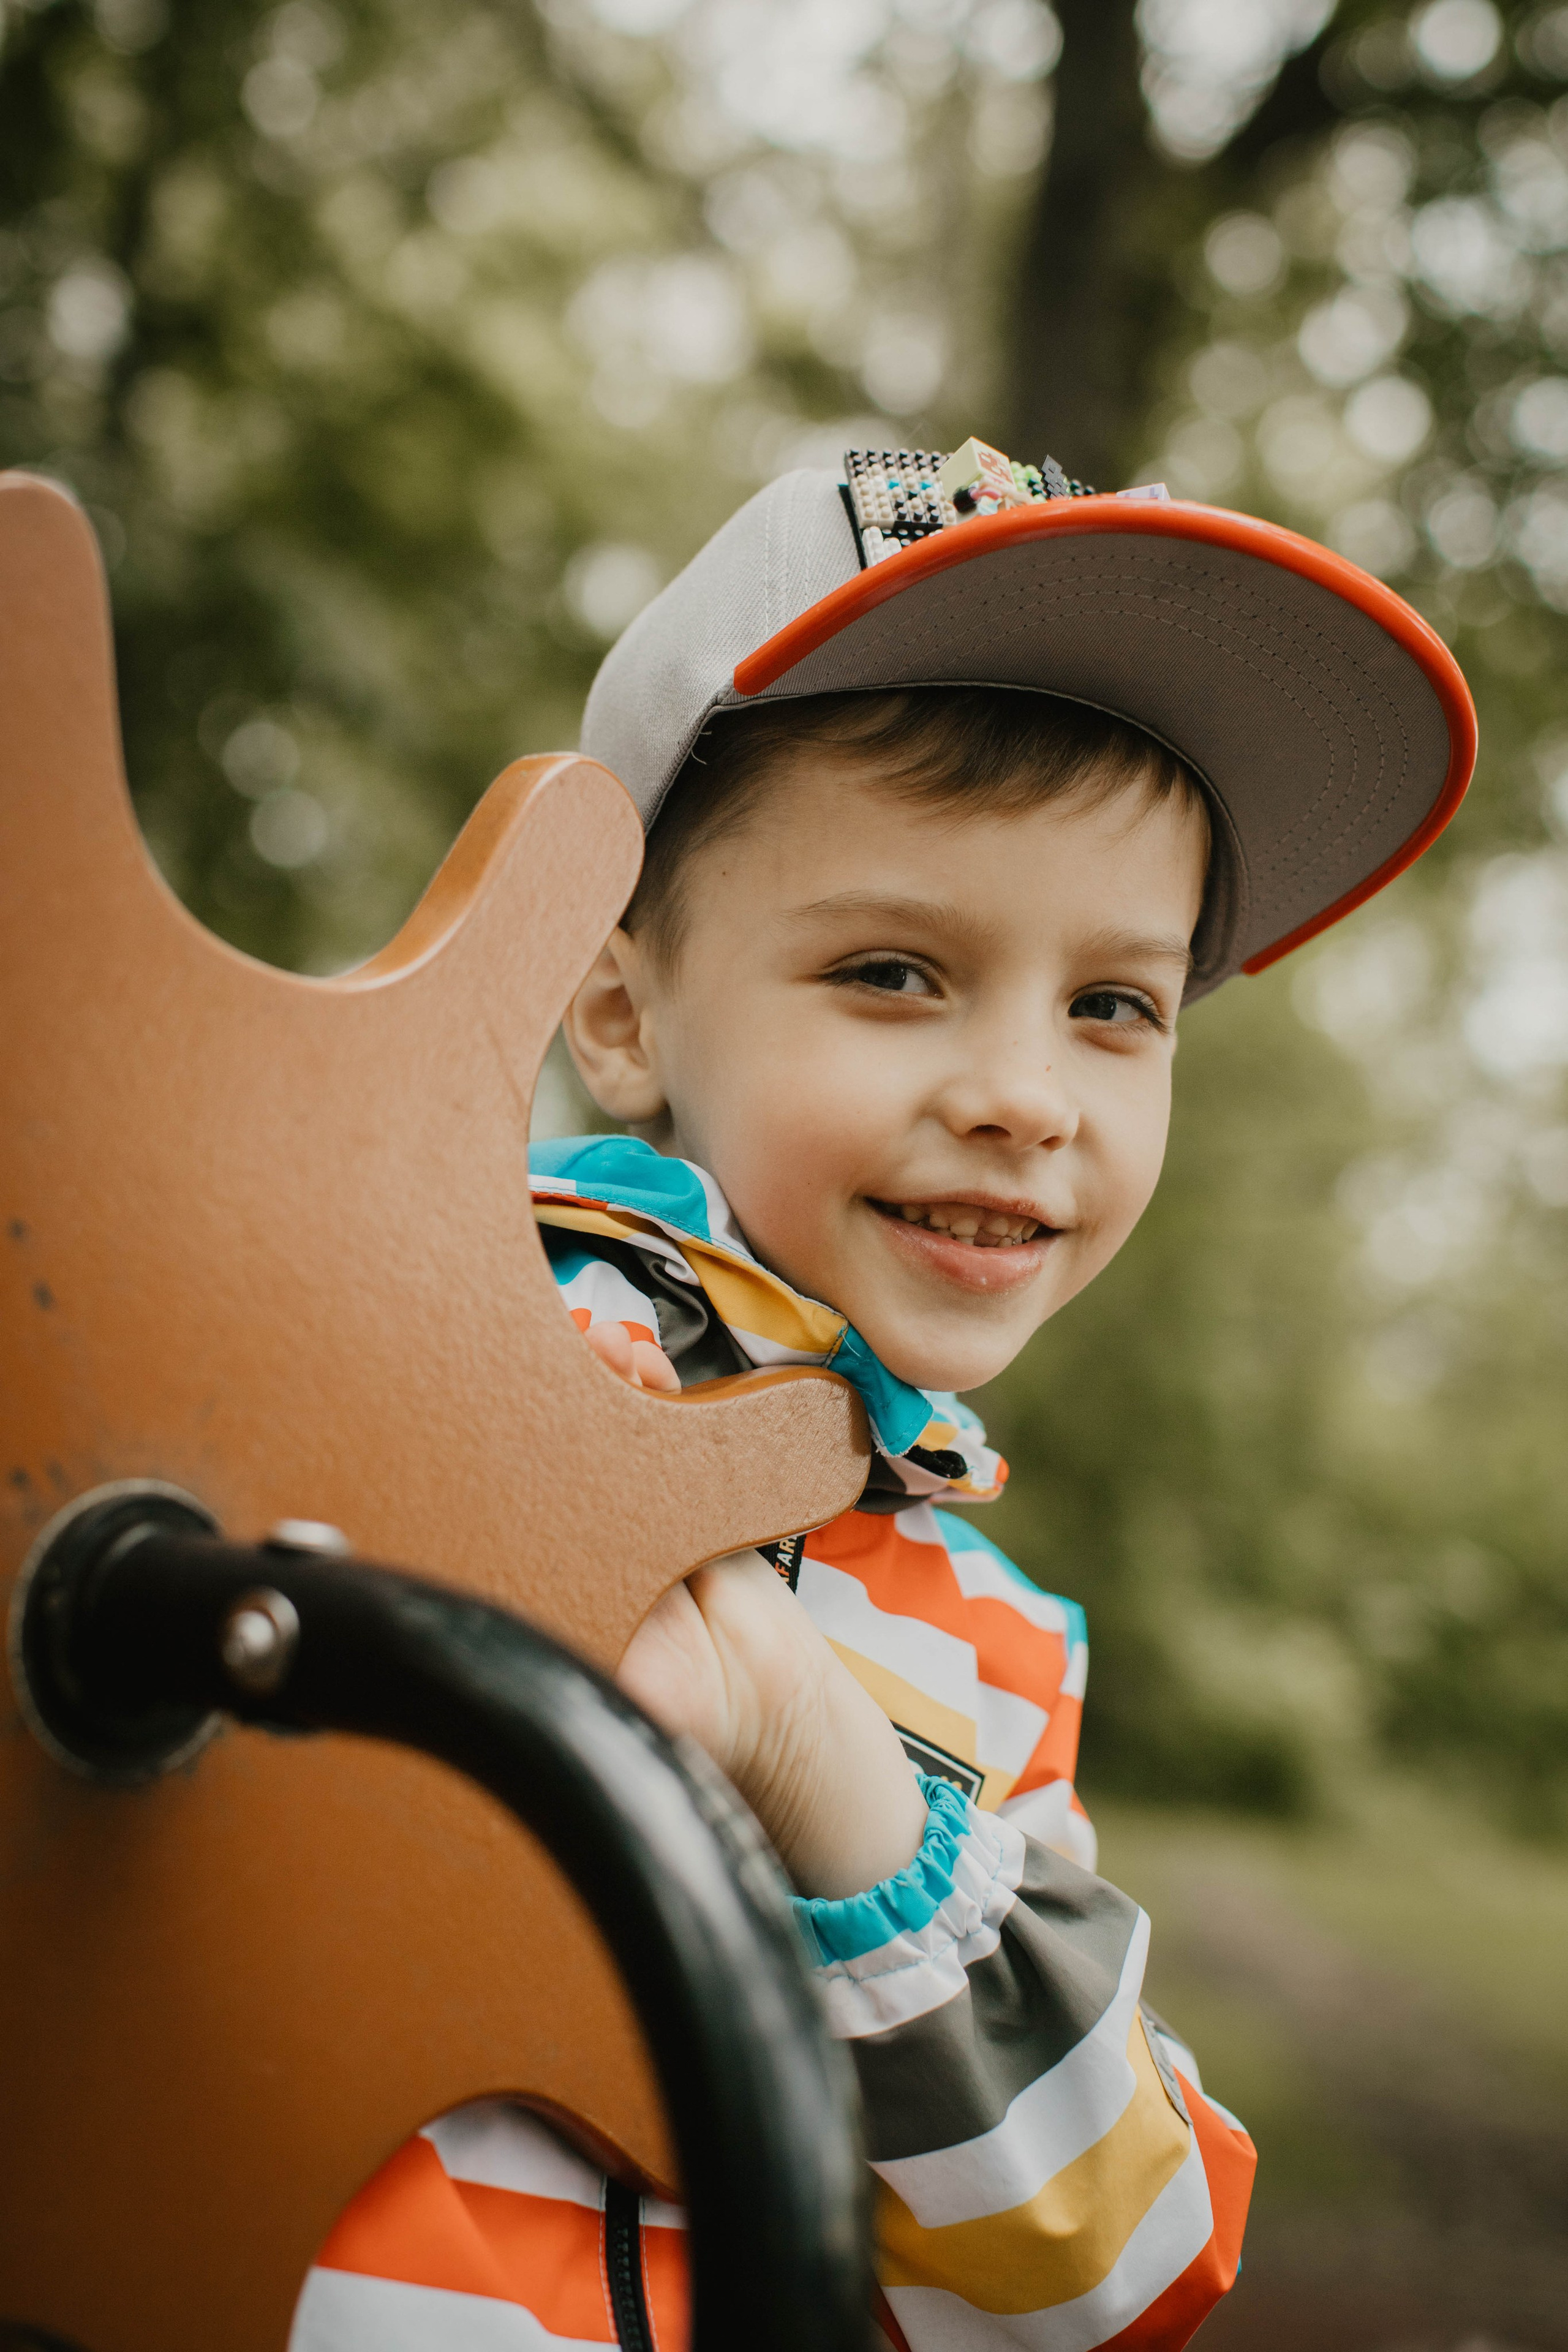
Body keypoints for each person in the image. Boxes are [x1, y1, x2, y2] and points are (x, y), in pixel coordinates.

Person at [290, 451, 1476, 2350]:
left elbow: (1124, 2269)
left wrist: (810, 1755)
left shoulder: (988, 1661)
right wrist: (501, 1441)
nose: (1030, 1092)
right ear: (619, 1015)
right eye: (896, 970)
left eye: (1116, 1005)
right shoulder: (427, 1331)